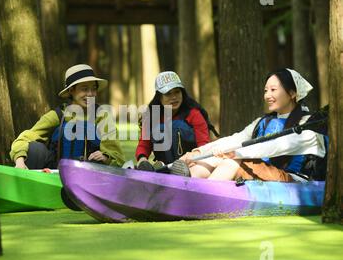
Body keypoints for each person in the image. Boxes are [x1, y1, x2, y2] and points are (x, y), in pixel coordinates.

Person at [179, 68, 327, 182]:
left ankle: (201, 198)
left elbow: (276, 146)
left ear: (292, 93)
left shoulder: (310, 125)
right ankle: (185, 183)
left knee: (231, 161)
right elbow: (234, 139)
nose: (267, 95)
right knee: (208, 160)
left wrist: (235, 153)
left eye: (273, 90)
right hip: (263, 172)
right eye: (266, 90)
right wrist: (198, 153)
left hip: (295, 182)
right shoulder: (262, 122)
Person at [10, 64, 125, 170]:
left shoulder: (102, 116)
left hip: (90, 174)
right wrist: (20, 161)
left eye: (93, 89)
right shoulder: (58, 115)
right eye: (84, 89)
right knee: (35, 149)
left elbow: (117, 156)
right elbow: (23, 139)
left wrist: (105, 157)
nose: (90, 94)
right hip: (57, 172)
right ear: (71, 91)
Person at [135, 71, 216, 172]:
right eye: (168, 94)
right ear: (159, 97)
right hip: (164, 166)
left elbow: (204, 146)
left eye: (177, 92)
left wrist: (193, 158)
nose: (174, 97)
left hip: (192, 166)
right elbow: (144, 145)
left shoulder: (194, 114)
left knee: (176, 125)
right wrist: (142, 159)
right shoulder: (152, 116)